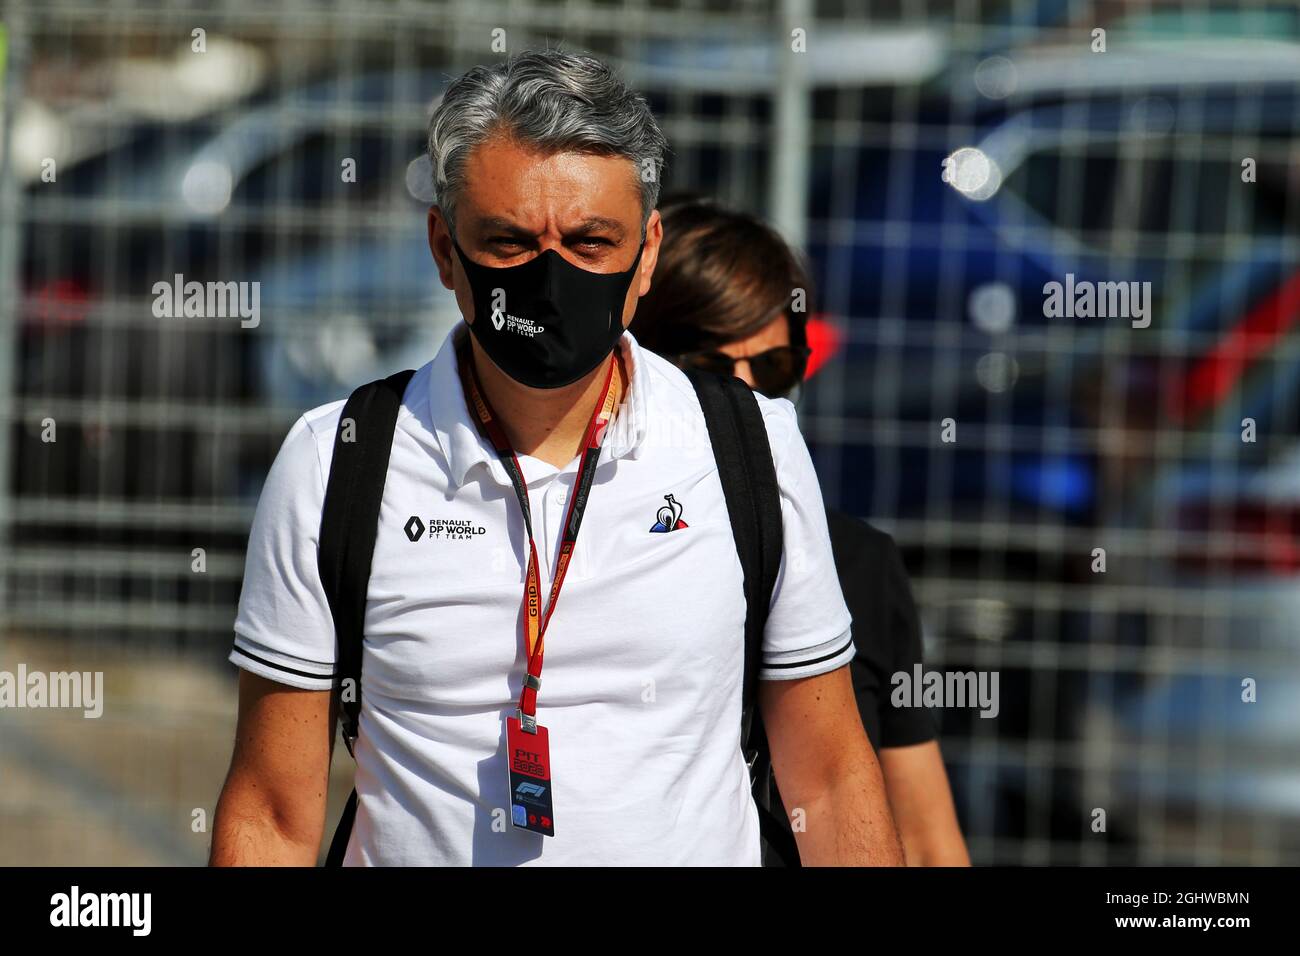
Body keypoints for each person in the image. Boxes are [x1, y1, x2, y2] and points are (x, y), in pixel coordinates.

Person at [210, 50, 905, 866]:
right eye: (507, 242)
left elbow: (825, 778)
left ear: (646, 254)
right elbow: (271, 813)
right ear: (444, 249)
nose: (549, 279)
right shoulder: (336, 463)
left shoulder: (749, 446)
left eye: (590, 242)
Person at [630, 194, 970, 865]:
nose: (746, 397)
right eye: (708, 368)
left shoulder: (861, 564)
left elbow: (929, 841)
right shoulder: (580, 548)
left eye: (775, 370)